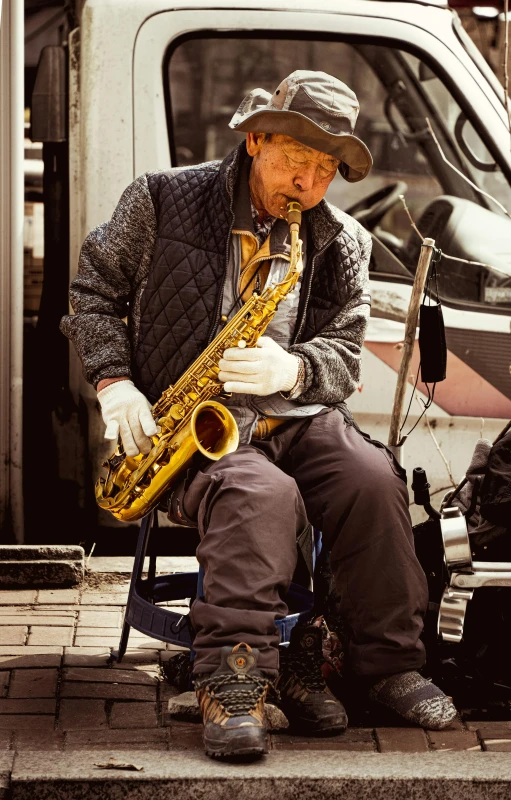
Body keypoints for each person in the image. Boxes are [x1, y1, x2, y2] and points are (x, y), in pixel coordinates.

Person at [61, 70, 457, 760]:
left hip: (295, 415)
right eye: (294, 161)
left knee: (372, 479)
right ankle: (234, 683)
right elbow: (94, 290)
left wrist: (295, 368)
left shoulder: (341, 241)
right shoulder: (161, 199)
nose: (307, 185)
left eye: (325, 170)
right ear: (255, 141)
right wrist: (115, 383)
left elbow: (344, 349)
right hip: (194, 432)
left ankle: (388, 666)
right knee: (257, 494)